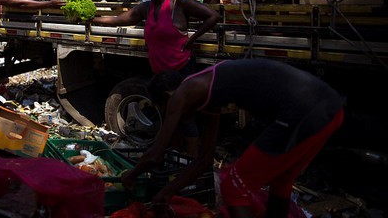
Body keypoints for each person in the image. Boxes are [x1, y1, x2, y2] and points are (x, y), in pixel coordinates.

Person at [122, 59, 345, 218]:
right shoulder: (209, 92)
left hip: (301, 112)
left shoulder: (183, 92)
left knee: (233, 187)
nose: (171, 113)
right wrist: (167, 192)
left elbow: (155, 154)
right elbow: (204, 161)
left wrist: (130, 176)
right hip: (328, 110)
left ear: (169, 96)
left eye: (164, 107)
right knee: (282, 181)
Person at [92, 0, 220, 156]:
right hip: (160, 74)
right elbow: (120, 19)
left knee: (185, 117)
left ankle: (192, 161)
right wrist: (92, 19)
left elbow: (213, 16)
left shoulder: (179, 3)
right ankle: (176, 154)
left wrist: (192, 38)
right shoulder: (146, 8)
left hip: (181, 70)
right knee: (170, 117)